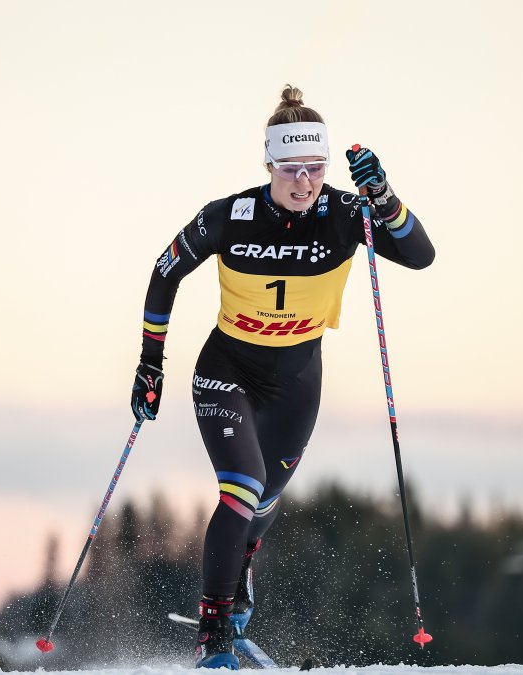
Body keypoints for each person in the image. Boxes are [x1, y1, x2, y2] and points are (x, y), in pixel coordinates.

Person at [130, 85, 434, 669]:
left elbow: (420, 255)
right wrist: (151, 362)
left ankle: (239, 588)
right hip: (228, 370)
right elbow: (165, 272)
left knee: (265, 500)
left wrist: (384, 197)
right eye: (291, 168)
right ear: (268, 163)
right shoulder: (229, 216)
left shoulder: (346, 213)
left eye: (316, 168)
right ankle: (214, 635)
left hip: (297, 380)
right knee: (242, 487)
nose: (304, 182)